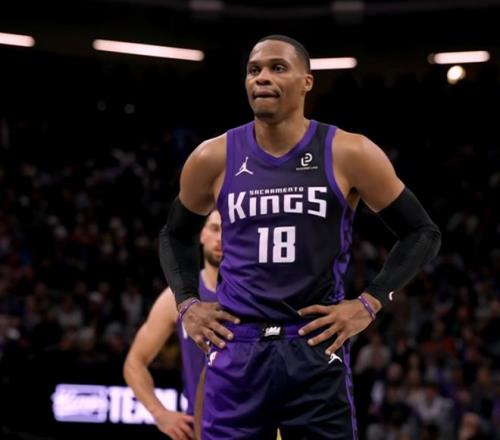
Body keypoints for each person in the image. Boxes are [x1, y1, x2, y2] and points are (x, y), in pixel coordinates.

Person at [159, 34, 441, 439]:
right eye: (254, 70)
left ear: (307, 82)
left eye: (278, 68)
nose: (262, 78)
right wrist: (187, 303)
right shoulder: (213, 156)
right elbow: (174, 235)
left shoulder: (349, 151)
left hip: (313, 343)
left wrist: (369, 302)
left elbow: (422, 232)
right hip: (237, 345)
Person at [124, 210, 222, 440]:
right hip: (200, 428)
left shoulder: (255, 293)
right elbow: (134, 362)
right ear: (202, 234)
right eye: (215, 229)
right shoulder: (177, 297)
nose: (221, 238)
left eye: (229, 231)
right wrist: (159, 413)